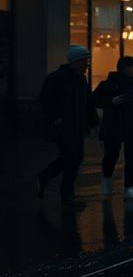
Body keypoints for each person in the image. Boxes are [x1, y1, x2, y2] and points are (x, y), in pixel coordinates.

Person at [37, 46, 98, 203]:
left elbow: (87, 102)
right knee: (71, 158)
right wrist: (56, 119)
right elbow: (46, 100)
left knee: (73, 158)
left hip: (77, 126)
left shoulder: (80, 79)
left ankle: (46, 177)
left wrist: (92, 120)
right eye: (84, 61)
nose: (87, 64)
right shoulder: (57, 79)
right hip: (64, 127)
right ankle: (66, 194)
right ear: (75, 61)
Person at [93, 56, 133, 200]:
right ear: (121, 68)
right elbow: (94, 100)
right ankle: (107, 181)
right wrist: (111, 101)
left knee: (131, 158)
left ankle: (128, 188)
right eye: (128, 67)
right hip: (114, 125)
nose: (131, 70)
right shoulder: (109, 84)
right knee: (111, 155)